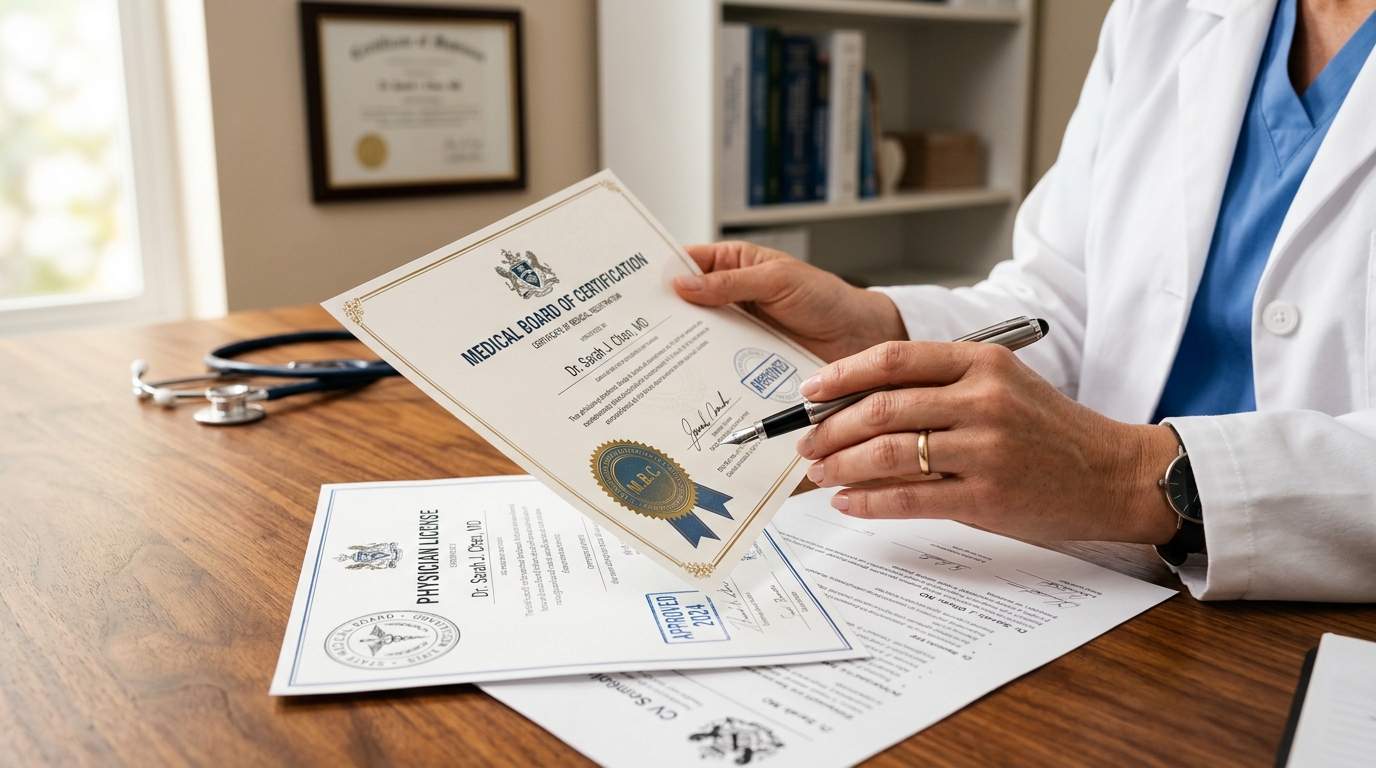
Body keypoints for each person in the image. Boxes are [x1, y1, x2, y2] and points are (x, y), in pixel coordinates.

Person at [674, 0, 1376, 602]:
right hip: (1110, 580)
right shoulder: (1160, 13)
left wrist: (1130, 477)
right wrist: (878, 331)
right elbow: (1055, 303)